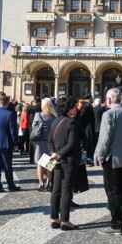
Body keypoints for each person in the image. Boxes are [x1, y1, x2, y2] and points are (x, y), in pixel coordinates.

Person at [95, 88, 122, 235]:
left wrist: (99, 156)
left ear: (109, 100)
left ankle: (116, 224)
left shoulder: (109, 114)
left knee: (113, 192)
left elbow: (104, 139)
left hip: (112, 158)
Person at [47, 97, 81, 230]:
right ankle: (65, 221)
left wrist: (53, 153)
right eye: (74, 107)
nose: (76, 109)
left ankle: (55, 218)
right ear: (69, 108)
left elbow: (49, 141)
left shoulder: (55, 121)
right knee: (66, 191)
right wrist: (59, 153)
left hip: (56, 160)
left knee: (56, 190)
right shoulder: (71, 123)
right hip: (68, 160)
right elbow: (72, 144)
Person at [33, 97, 57, 191]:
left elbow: (34, 127)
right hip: (51, 141)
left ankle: (41, 183)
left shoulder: (38, 115)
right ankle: (48, 181)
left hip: (40, 140)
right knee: (50, 163)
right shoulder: (54, 116)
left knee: (40, 163)